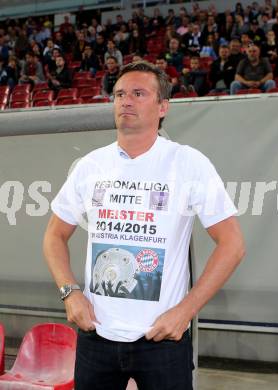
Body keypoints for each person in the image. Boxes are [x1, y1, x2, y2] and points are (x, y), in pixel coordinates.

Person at [43, 60, 245, 390]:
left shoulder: (187, 163)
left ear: (163, 106)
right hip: (97, 336)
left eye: (139, 93)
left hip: (162, 339)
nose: (126, 100)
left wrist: (185, 312)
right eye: (120, 93)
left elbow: (233, 244)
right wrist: (70, 293)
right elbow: (54, 235)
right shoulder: (91, 165)